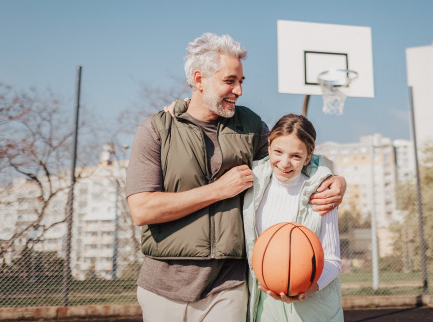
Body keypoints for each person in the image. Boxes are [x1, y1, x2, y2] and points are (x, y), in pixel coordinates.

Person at [125, 32, 347, 322]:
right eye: (230, 81)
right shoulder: (155, 130)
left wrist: (336, 179)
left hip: (228, 285)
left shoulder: (250, 126)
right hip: (164, 285)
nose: (239, 90)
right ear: (199, 79)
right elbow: (142, 210)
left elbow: (291, 154)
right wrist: (218, 190)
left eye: (241, 81)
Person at [243, 114, 344, 322]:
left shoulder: (323, 192)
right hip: (265, 304)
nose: (285, 163)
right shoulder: (250, 185)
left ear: (309, 157)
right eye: (278, 151)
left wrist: (308, 288)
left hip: (313, 305)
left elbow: (333, 260)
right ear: (269, 146)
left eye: (296, 156)